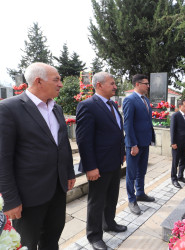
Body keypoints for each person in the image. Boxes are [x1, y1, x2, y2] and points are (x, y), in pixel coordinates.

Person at [0, 62, 76, 250]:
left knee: (52, 238)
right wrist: (10, 200)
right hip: (28, 196)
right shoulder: (9, 109)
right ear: (38, 81)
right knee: (27, 243)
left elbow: (63, 144)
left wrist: (69, 172)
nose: (60, 84)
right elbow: (3, 158)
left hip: (57, 190)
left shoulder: (56, 108)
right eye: (56, 79)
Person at [76, 72, 126, 250]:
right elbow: (83, 140)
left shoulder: (112, 105)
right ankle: (94, 235)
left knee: (112, 196)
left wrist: (123, 152)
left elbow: (117, 131)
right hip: (98, 164)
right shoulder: (87, 106)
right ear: (99, 85)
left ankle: (109, 223)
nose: (115, 86)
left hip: (114, 161)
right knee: (96, 201)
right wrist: (90, 167)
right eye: (111, 84)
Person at [123, 74, 156, 215]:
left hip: (145, 142)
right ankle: (131, 199)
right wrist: (132, 144)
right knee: (131, 173)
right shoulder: (130, 100)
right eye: (146, 83)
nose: (148, 86)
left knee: (142, 170)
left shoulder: (146, 100)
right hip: (135, 144)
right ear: (137, 84)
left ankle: (140, 193)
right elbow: (128, 124)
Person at [170, 99, 185, 188]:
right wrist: (173, 142)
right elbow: (172, 130)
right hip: (177, 143)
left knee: (184, 161)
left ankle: (180, 176)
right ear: (180, 106)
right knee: (175, 162)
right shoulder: (175, 116)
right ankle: (174, 179)